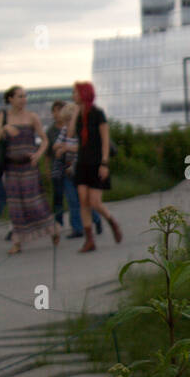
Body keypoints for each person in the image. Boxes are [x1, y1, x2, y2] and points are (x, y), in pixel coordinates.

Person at [0, 86, 59, 254]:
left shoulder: (32, 117)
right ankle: (17, 242)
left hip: (29, 166)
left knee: (33, 202)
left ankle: (53, 229)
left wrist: (39, 154)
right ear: (11, 99)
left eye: (24, 96)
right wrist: (4, 128)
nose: (23, 99)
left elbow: (44, 140)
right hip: (11, 167)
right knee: (15, 205)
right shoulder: (3, 116)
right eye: (20, 96)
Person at [67, 81, 122, 253]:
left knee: (95, 202)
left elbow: (105, 140)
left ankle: (112, 221)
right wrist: (76, 112)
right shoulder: (79, 115)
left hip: (97, 163)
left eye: (75, 93)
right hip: (82, 163)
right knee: (83, 200)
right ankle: (89, 240)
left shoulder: (98, 114)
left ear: (83, 94)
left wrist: (104, 163)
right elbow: (70, 134)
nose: (72, 96)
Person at [53, 102, 102, 239]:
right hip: (68, 171)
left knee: (85, 201)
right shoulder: (64, 131)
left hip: (82, 170)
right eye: (66, 122)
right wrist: (59, 148)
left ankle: (96, 219)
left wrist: (66, 147)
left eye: (69, 121)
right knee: (72, 200)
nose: (67, 125)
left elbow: (82, 148)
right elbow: (56, 145)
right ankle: (77, 228)